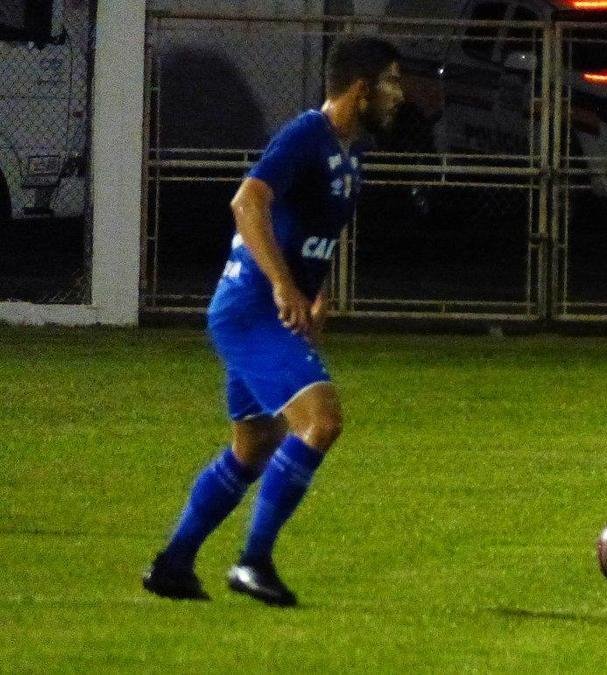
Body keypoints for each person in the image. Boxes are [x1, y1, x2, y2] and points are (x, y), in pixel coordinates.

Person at [142, 37, 404, 606]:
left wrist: (316, 292)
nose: (399, 95)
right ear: (360, 89)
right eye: (391, 82)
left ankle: (173, 563)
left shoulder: (350, 150)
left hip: (267, 311)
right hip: (251, 309)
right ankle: (252, 562)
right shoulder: (305, 135)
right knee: (321, 421)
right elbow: (248, 201)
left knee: (255, 446)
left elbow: (312, 230)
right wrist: (285, 286)